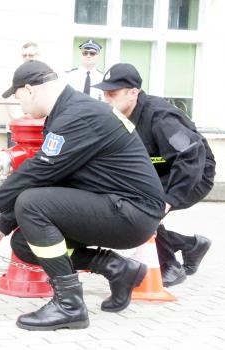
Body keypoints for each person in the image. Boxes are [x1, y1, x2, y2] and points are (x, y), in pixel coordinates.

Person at [0, 60, 166, 331]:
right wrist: (2, 229)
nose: (19, 105)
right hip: (116, 206)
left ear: (29, 90)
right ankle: (115, 268)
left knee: (32, 205)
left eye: (17, 97)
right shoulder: (67, 112)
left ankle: (69, 305)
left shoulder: (78, 115)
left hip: (133, 211)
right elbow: (50, 175)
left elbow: (38, 172)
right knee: (25, 244)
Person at [94, 63, 214, 287]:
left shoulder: (161, 117)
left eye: (112, 93)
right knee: (134, 205)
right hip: (159, 173)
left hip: (195, 173)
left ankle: (170, 268)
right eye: (104, 94)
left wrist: (168, 200)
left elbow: (190, 156)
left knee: (146, 207)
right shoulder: (118, 115)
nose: (106, 99)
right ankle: (190, 245)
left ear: (133, 92)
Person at [6, 41, 40, 147]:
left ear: (38, 56)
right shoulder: (14, 74)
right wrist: (25, 119)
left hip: (39, 128)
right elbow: (9, 99)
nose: (27, 58)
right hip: (18, 128)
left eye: (31, 55)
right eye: (24, 55)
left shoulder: (46, 74)